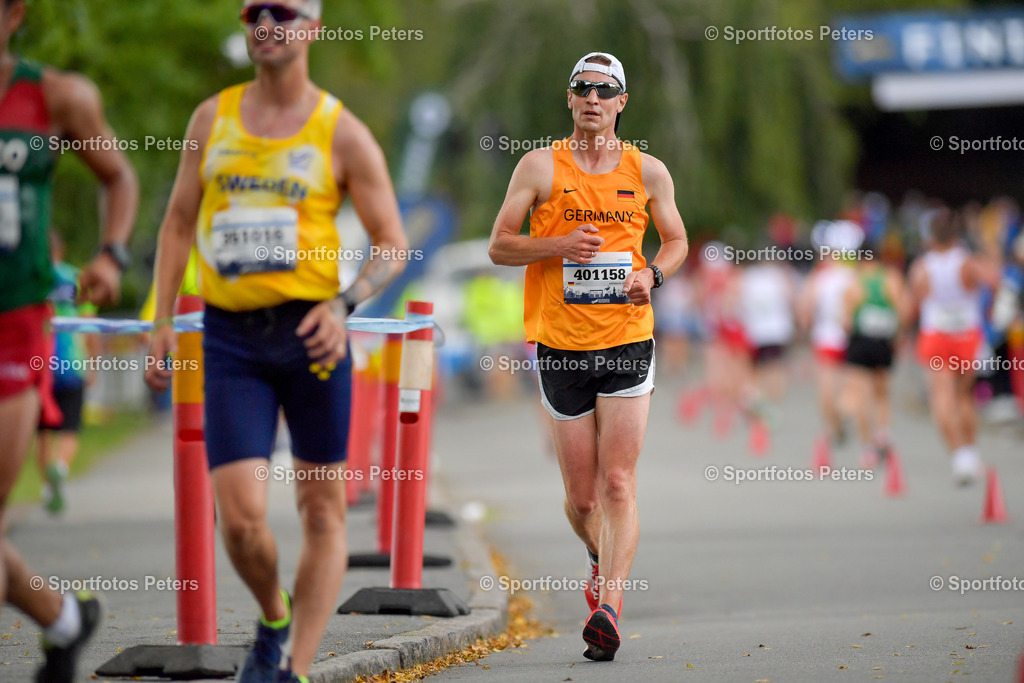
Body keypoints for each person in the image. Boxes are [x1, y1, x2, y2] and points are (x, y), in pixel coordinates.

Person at [144, 2, 408, 681]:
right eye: (253, 12)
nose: (266, 22)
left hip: (310, 338)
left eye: (282, 11)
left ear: (313, 26)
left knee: (322, 509)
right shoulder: (212, 118)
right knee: (240, 519)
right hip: (231, 339)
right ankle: (272, 611)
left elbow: (392, 243)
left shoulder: (341, 132)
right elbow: (178, 222)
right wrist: (162, 319)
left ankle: (290, 666)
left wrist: (344, 302)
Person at [488, 51, 688, 662]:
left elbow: (677, 240)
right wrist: (557, 244)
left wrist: (651, 275)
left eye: (605, 90)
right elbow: (500, 245)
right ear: (569, 98)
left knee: (618, 482)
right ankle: (599, 554)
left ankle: (610, 607)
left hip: (628, 337)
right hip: (562, 345)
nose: (593, 99)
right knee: (582, 499)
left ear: (622, 102)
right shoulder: (539, 165)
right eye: (583, 88)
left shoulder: (648, 171)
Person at [0, 0, 138, 678]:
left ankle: (61, 617)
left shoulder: (55, 97)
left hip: (15, 329)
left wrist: (111, 254)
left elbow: (118, 176)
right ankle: (64, 617)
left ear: (14, 13)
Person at [909, 208, 1000, 485]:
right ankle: (970, 455)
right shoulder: (968, 263)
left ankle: (960, 457)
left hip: (937, 335)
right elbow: (994, 280)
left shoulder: (922, 267)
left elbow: (915, 300)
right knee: (963, 397)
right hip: (966, 336)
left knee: (941, 398)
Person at [36, 232, 100, 515]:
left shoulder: (33, 280)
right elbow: (90, 324)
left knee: (42, 432)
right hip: (73, 363)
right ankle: (60, 467)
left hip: (40, 365)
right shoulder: (77, 278)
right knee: (70, 428)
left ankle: (48, 485)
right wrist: (94, 363)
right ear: (61, 250)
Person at [842, 243, 908, 469]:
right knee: (882, 391)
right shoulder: (892, 279)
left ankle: (868, 445)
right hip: (884, 341)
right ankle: (883, 433)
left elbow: (846, 321)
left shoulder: (854, 284)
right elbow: (903, 312)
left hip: (861, 340)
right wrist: (898, 337)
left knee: (861, 393)